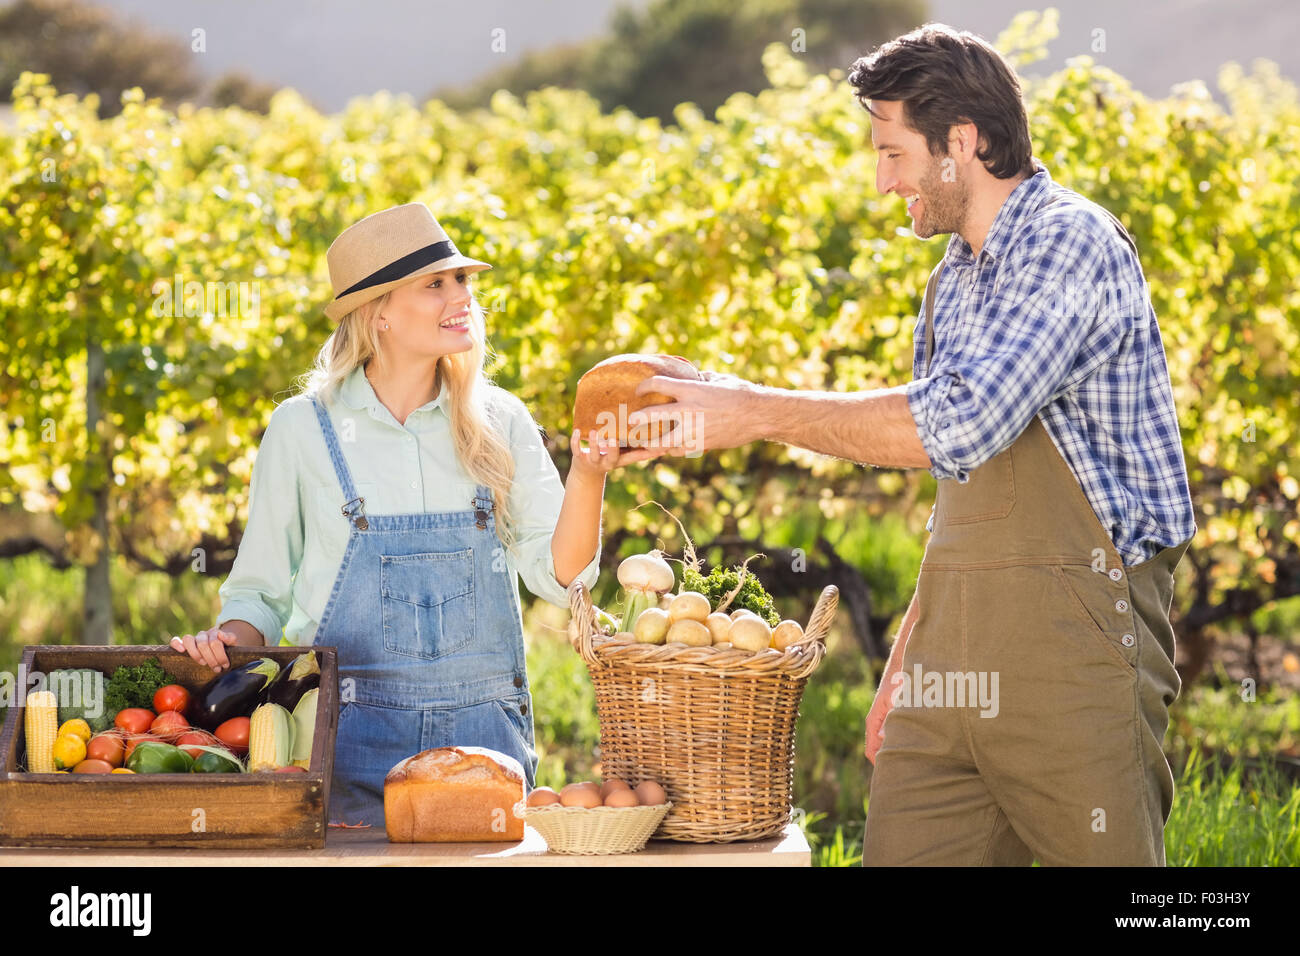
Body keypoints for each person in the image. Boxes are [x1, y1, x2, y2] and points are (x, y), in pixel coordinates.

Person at [628, 24, 1196, 865]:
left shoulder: (1069, 242)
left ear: (960, 144)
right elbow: (955, 484)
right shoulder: (954, 277)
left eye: (893, 153)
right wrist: (910, 660)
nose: (883, 180)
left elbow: (962, 420)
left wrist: (752, 410)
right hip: (947, 675)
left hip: (1072, 665)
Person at [172, 202, 650, 825]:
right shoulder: (302, 429)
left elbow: (560, 579)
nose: (462, 297)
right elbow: (260, 592)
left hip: (484, 751)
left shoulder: (500, 420)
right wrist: (224, 641)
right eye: (435, 283)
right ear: (379, 314)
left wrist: (590, 474)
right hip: (341, 743)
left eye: (463, 281)